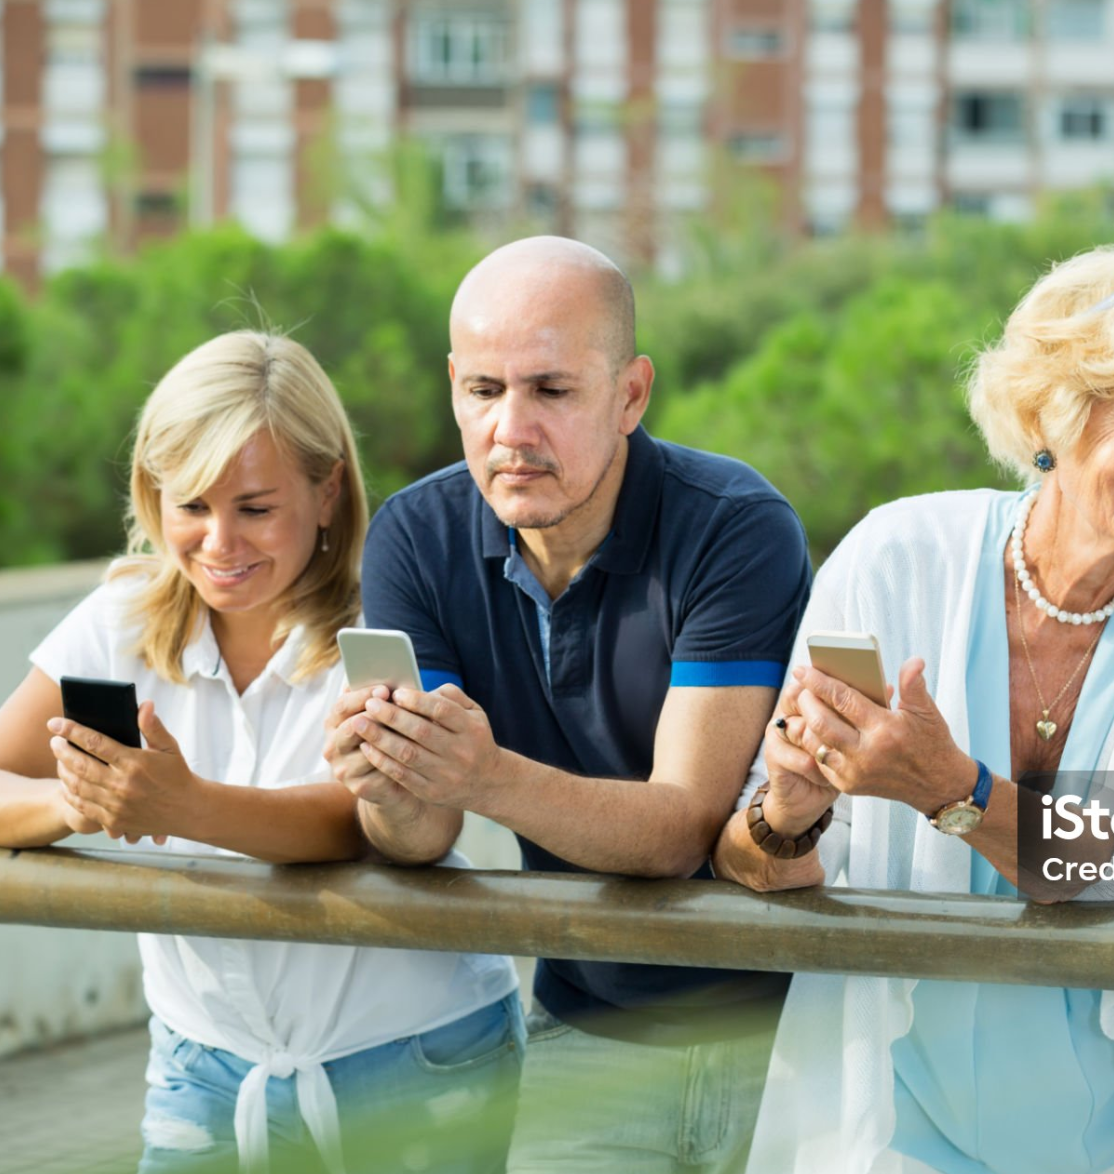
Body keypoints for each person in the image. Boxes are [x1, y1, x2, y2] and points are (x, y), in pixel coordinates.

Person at [711, 246, 1114, 1174]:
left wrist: (950, 787)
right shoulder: (895, 554)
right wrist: (787, 808)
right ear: (1052, 415)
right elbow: (749, 867)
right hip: (890, 1126)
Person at [0, 331, 523, 1174]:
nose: (219, 543)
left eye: (254, 508)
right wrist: (80, 802)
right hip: (200, 1064)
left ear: (327, 492)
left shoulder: (390, 612)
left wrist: (175, 803)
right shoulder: (119, 617)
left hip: (411, 1052)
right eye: (192, 506)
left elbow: (369, 821)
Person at [326, 236, 812, 1174]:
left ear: (630, 394)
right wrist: (385, 781)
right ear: (452, 389)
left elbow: (680, 831)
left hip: (791, 1033)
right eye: (483, 391)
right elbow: (421, 836)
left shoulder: (734, 526)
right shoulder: (414, 538)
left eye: (550, 390)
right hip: (584, 1027)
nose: (511, 429)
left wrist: (481, 773)